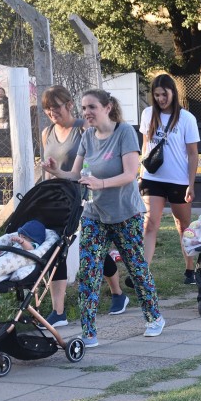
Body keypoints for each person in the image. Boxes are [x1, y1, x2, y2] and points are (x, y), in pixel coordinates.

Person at [42, 89, 165, 347]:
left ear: (107, 107)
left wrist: (101, 183)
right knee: (89, 271)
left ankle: (154, 318)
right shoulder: (87, 136)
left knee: (137, 267)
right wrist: (57, 171)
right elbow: (76, 174)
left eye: (92, 107)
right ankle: (89, 333)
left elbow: (131, 174)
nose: (87, 112)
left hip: (125, 213)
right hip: (94, 215)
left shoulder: (124, 133)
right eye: (84, 108)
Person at [40, 85, 127, 329]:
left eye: (56, 106)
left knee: (92, 251)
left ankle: (118, 293)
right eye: (47, 108)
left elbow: (94, 163)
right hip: (56, 202)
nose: (52, 112)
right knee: (58, 251)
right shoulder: (47, 132)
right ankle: (59, 311)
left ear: (68, 104)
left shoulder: (84, 128)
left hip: (82, 200)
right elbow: (50, 168)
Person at [139, 74, 200, 284]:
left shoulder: (186, 118)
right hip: (152, 177)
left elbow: (192, 153)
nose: (160, 99)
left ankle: (190, 268)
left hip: (178, 179)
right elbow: (145, 146)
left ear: (173, 93)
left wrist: (191, 184)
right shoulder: (147, 114)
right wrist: (141, 174)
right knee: (150, 223)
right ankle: (143, 272)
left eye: (164, 94)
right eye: (156, 95)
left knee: (183, 224)